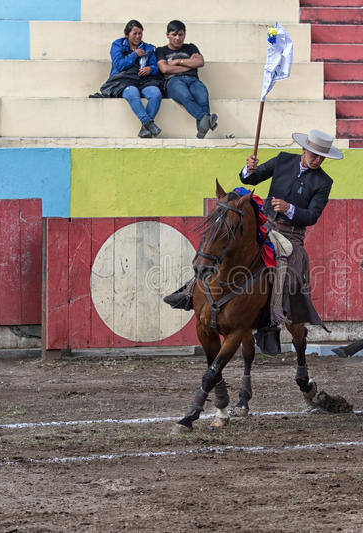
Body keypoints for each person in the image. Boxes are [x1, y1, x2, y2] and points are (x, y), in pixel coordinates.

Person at [164, 129, 341, 350]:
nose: (317, 160)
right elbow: (251, 178)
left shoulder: (324, 181)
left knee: (292, 275)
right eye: (314, 155)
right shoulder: (284, 159)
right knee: (223, 243)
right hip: (264, 224)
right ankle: (190, 291)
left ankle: (276, 316)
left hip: (291, 234)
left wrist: (289, 208)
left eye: (322, 157)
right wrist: (249, 168)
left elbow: (312, 215)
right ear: (304, 149)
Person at [156, 20, 218, 139]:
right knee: (186, 96)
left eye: (181, 35)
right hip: (173, 81)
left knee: (203, 96)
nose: (177, 38)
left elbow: (200, 62)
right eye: (174, 35)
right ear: (167, 35)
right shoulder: (161, 50)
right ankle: (206, 118)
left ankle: (202, 130)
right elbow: (164, 69)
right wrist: (189, 65)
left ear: (185, 34)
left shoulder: (191, 47)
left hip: (193, 80)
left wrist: (177, 61)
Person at [110, 19, 162, 138]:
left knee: (155, 93)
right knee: (132, 92)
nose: (138, 36)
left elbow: (156, 67)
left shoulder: (148, 48)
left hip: (143, 80)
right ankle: (148, 123)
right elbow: (119, 65)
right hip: (123, 81)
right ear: (127, 34)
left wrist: (150, 69)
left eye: (140, 33)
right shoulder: (117, 45)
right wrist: (134, 54)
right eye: (135, 34)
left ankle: (145, 128)